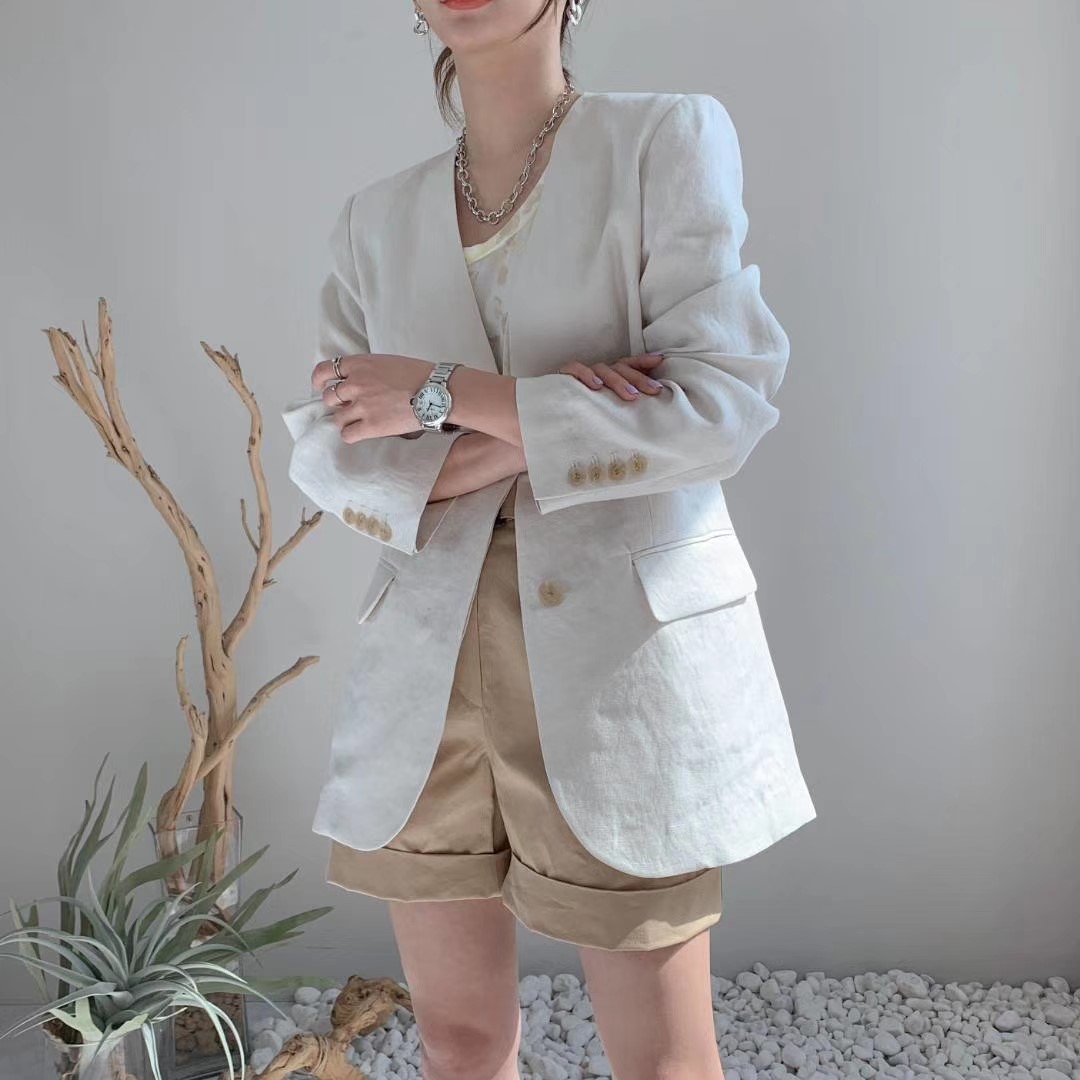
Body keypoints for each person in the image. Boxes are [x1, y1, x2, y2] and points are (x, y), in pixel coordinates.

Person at [280, 1, 818, 1076]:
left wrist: (443, 395)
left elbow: (719, 407)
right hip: (426, 675)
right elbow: (335, 455)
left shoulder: (662, 141)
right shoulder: (374, 220)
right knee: (460, 1038)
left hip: (620, 663)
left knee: (662, 1057)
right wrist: (550, 415)